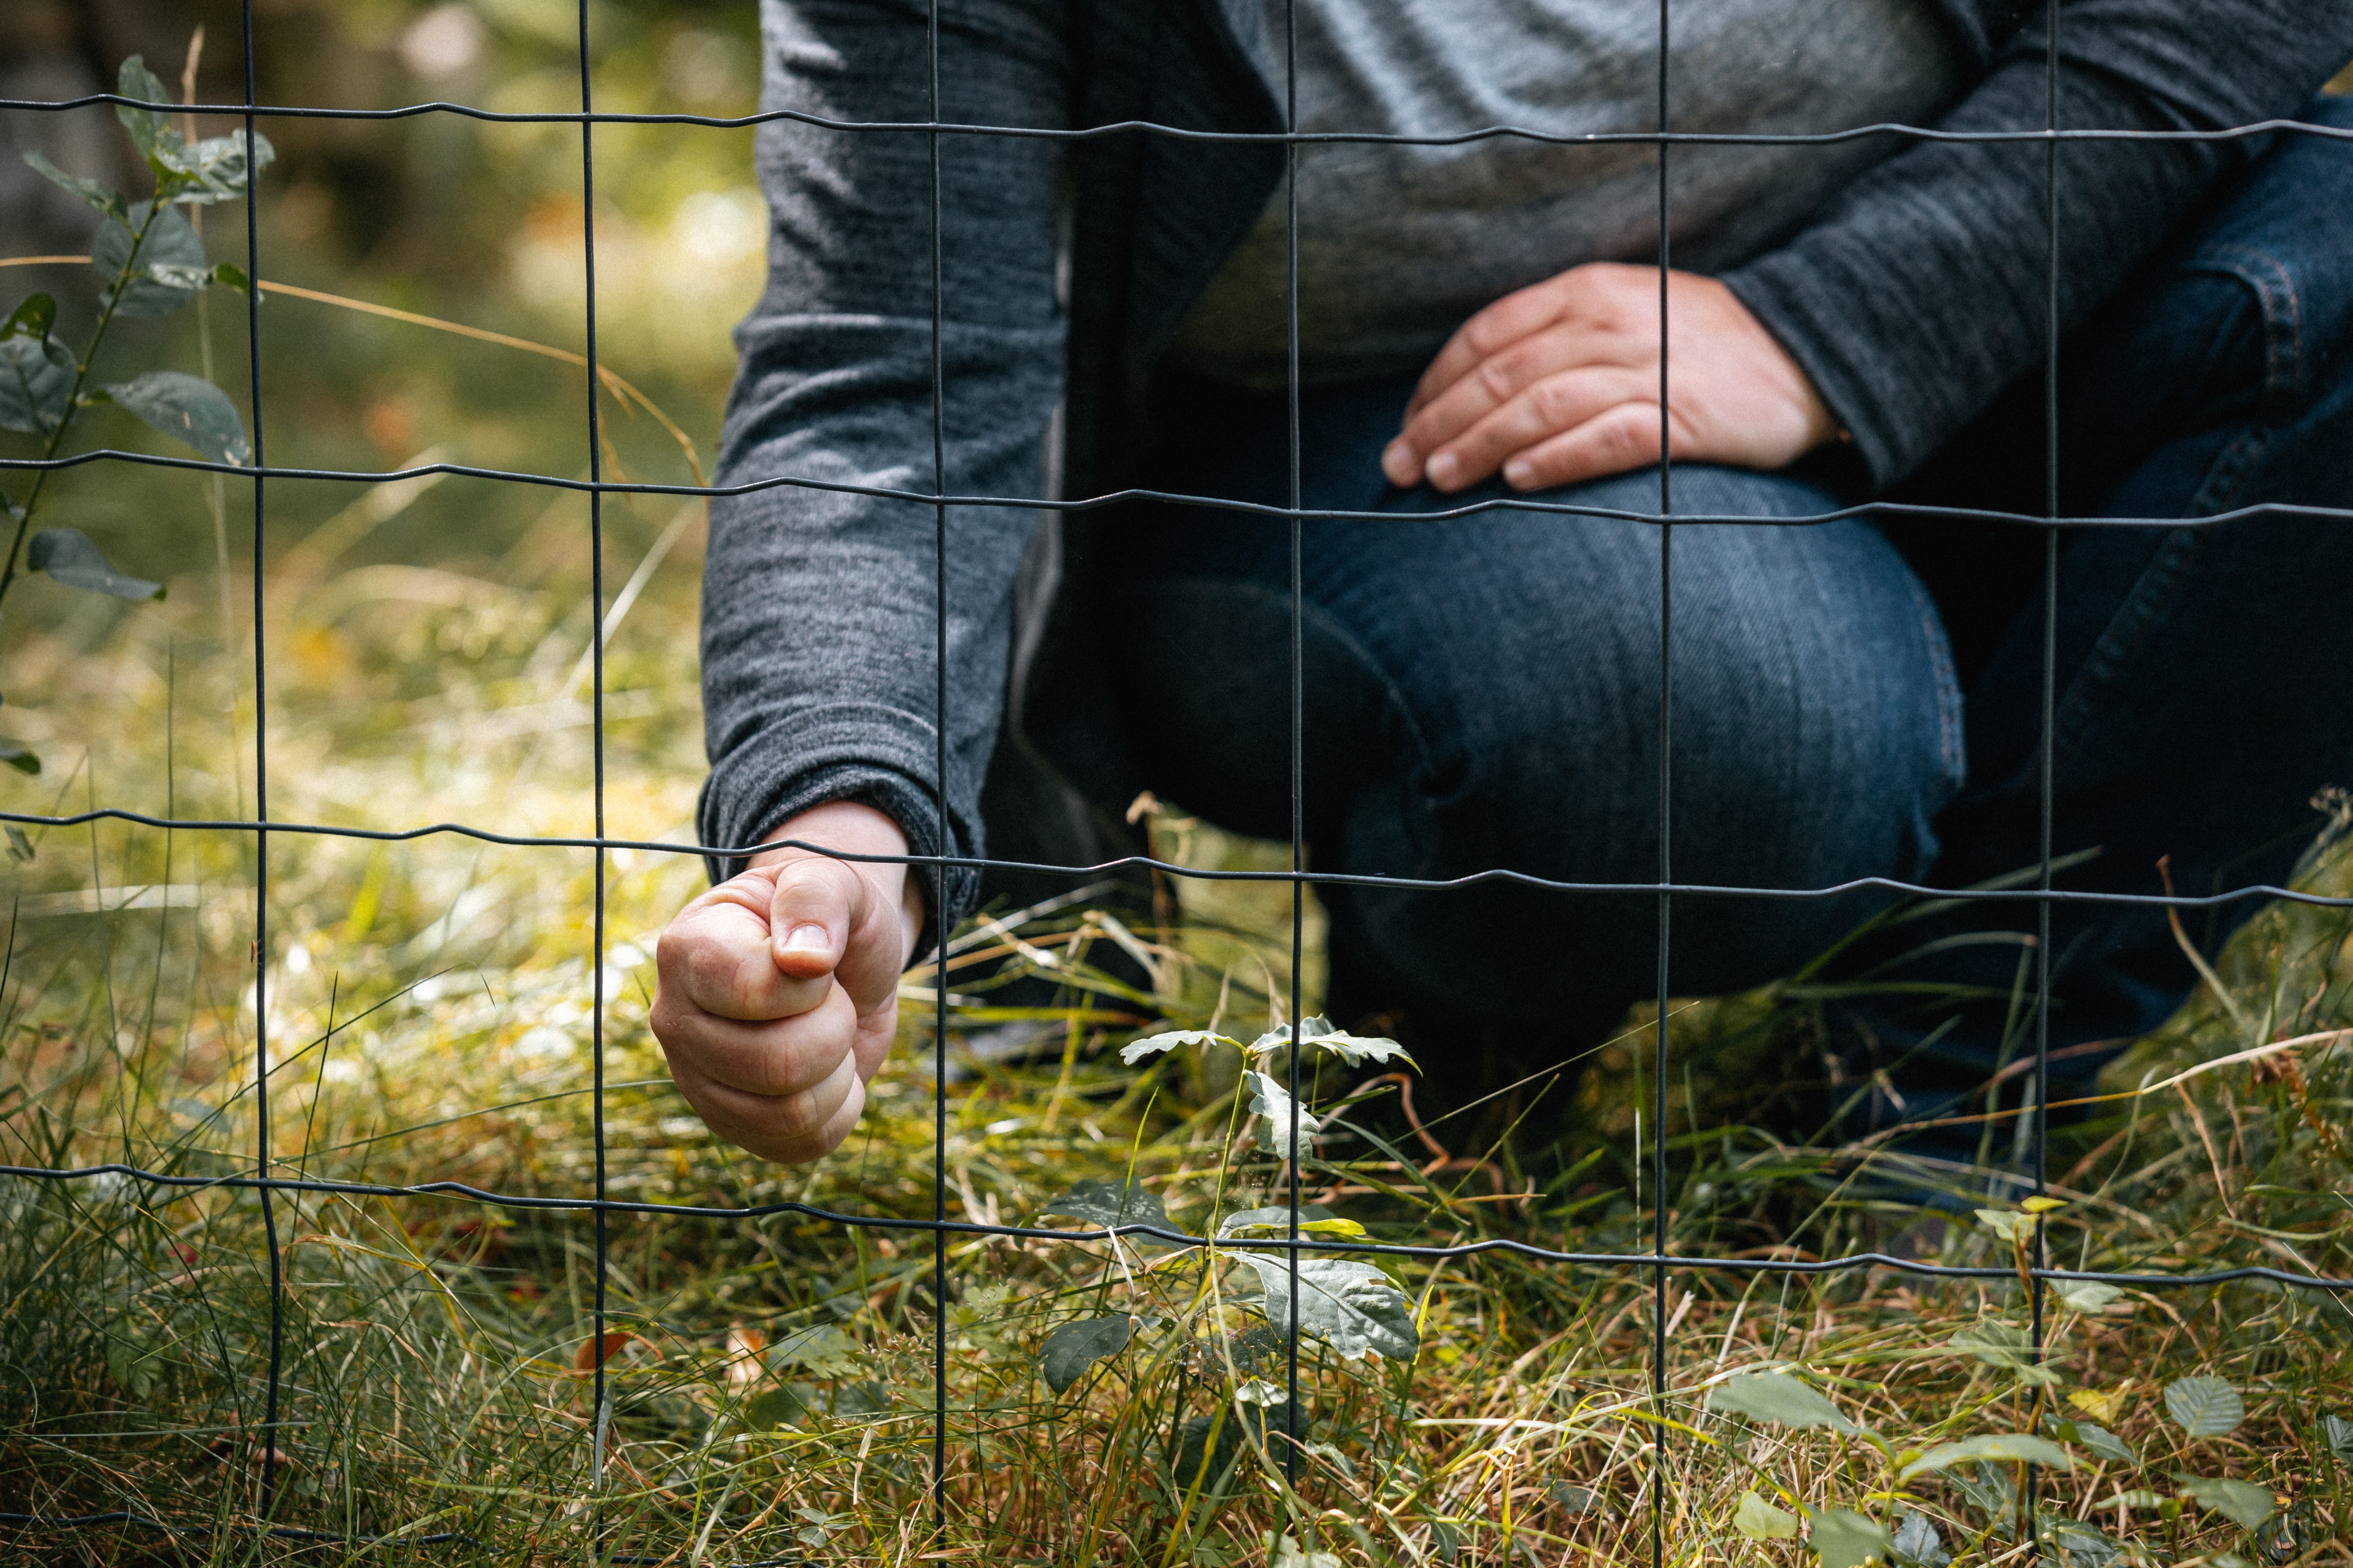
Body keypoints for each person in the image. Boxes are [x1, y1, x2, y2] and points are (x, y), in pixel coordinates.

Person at [648, 0, 2353, 1168]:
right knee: (1703, 709)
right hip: (1333, 445)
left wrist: (1828, 332)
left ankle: (1942, 1102)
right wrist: (838, 817)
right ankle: (1457, 1044)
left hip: (1959, 318)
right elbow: (888, 365)